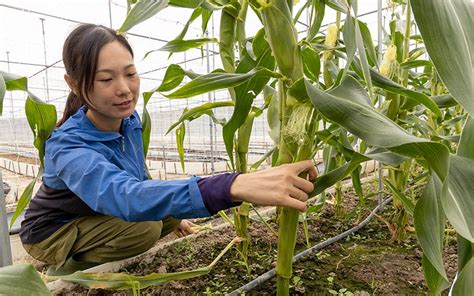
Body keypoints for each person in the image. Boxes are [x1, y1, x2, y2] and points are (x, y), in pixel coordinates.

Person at [19, 23, 317, 276]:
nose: (124, 89)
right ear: (73, 84)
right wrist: (230, 185)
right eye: (106, 79)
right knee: (144, 228)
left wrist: (176, 218)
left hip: (96, 214)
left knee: (169, 211)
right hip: (52, 231)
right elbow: (123, 195)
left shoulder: (129, 120)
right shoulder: (68, 145)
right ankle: (65, 270)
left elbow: (140, 178)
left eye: (130, 74)